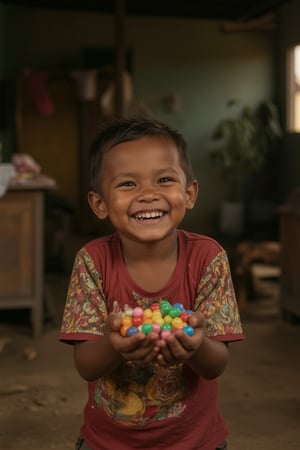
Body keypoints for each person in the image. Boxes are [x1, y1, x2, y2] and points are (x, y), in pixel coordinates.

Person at [60, 109, 244, 450]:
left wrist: (196, 346)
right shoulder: (92, 261)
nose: (147, 194)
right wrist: (113, 345)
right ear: (99, 204)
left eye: (164, 180)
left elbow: (216, 364)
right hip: (108, 443)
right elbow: (86, 365)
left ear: (189, 194)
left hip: (195, 443)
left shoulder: (208, 258)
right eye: (128, 183)